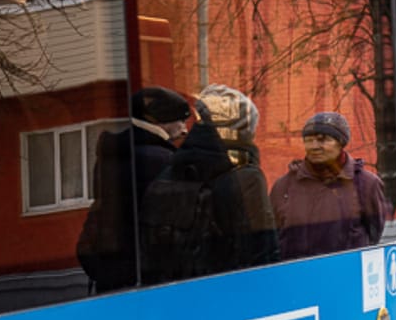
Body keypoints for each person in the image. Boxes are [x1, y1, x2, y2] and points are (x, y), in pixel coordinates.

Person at [140, 83, 279, 284]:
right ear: (243, 129)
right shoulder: (245, 176)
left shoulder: (171, 171)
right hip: (232, 295)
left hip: (178, 296)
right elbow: (263, 253)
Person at [77, 86, 190, 292]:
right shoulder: (163, 161)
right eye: (181, 120)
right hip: (151, 282)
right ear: (160, 120)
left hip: (110, 277)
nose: (185, 129)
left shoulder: (110, 157)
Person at [270, 111, 388, 261]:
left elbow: (374, 235)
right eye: (308, 140)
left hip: (345, 277)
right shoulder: (284, 186)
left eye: (322, 140)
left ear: (341, 143)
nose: (314, 146)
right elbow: (272, 238)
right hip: (296, 278)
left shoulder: (366, 184)